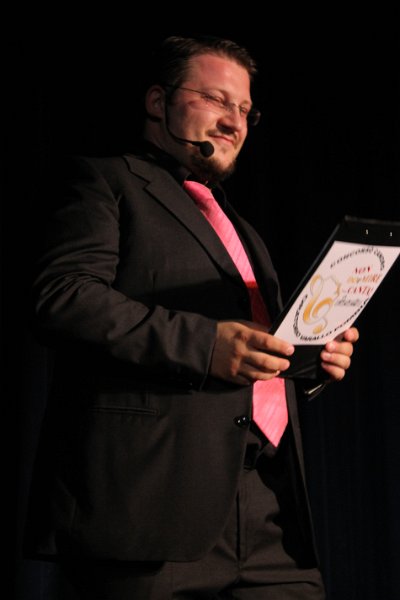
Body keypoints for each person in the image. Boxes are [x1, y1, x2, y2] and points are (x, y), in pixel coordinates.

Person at [24, 35, 359, 599]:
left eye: (245, 109)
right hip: (148, 511)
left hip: (270, 516)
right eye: (216, 99)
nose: (234, 121)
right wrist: (207, 346)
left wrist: (309, 360)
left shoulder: (242, 230)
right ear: (159, 102)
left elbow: (253, 356)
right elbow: (63, 297)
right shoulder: (104, 181)